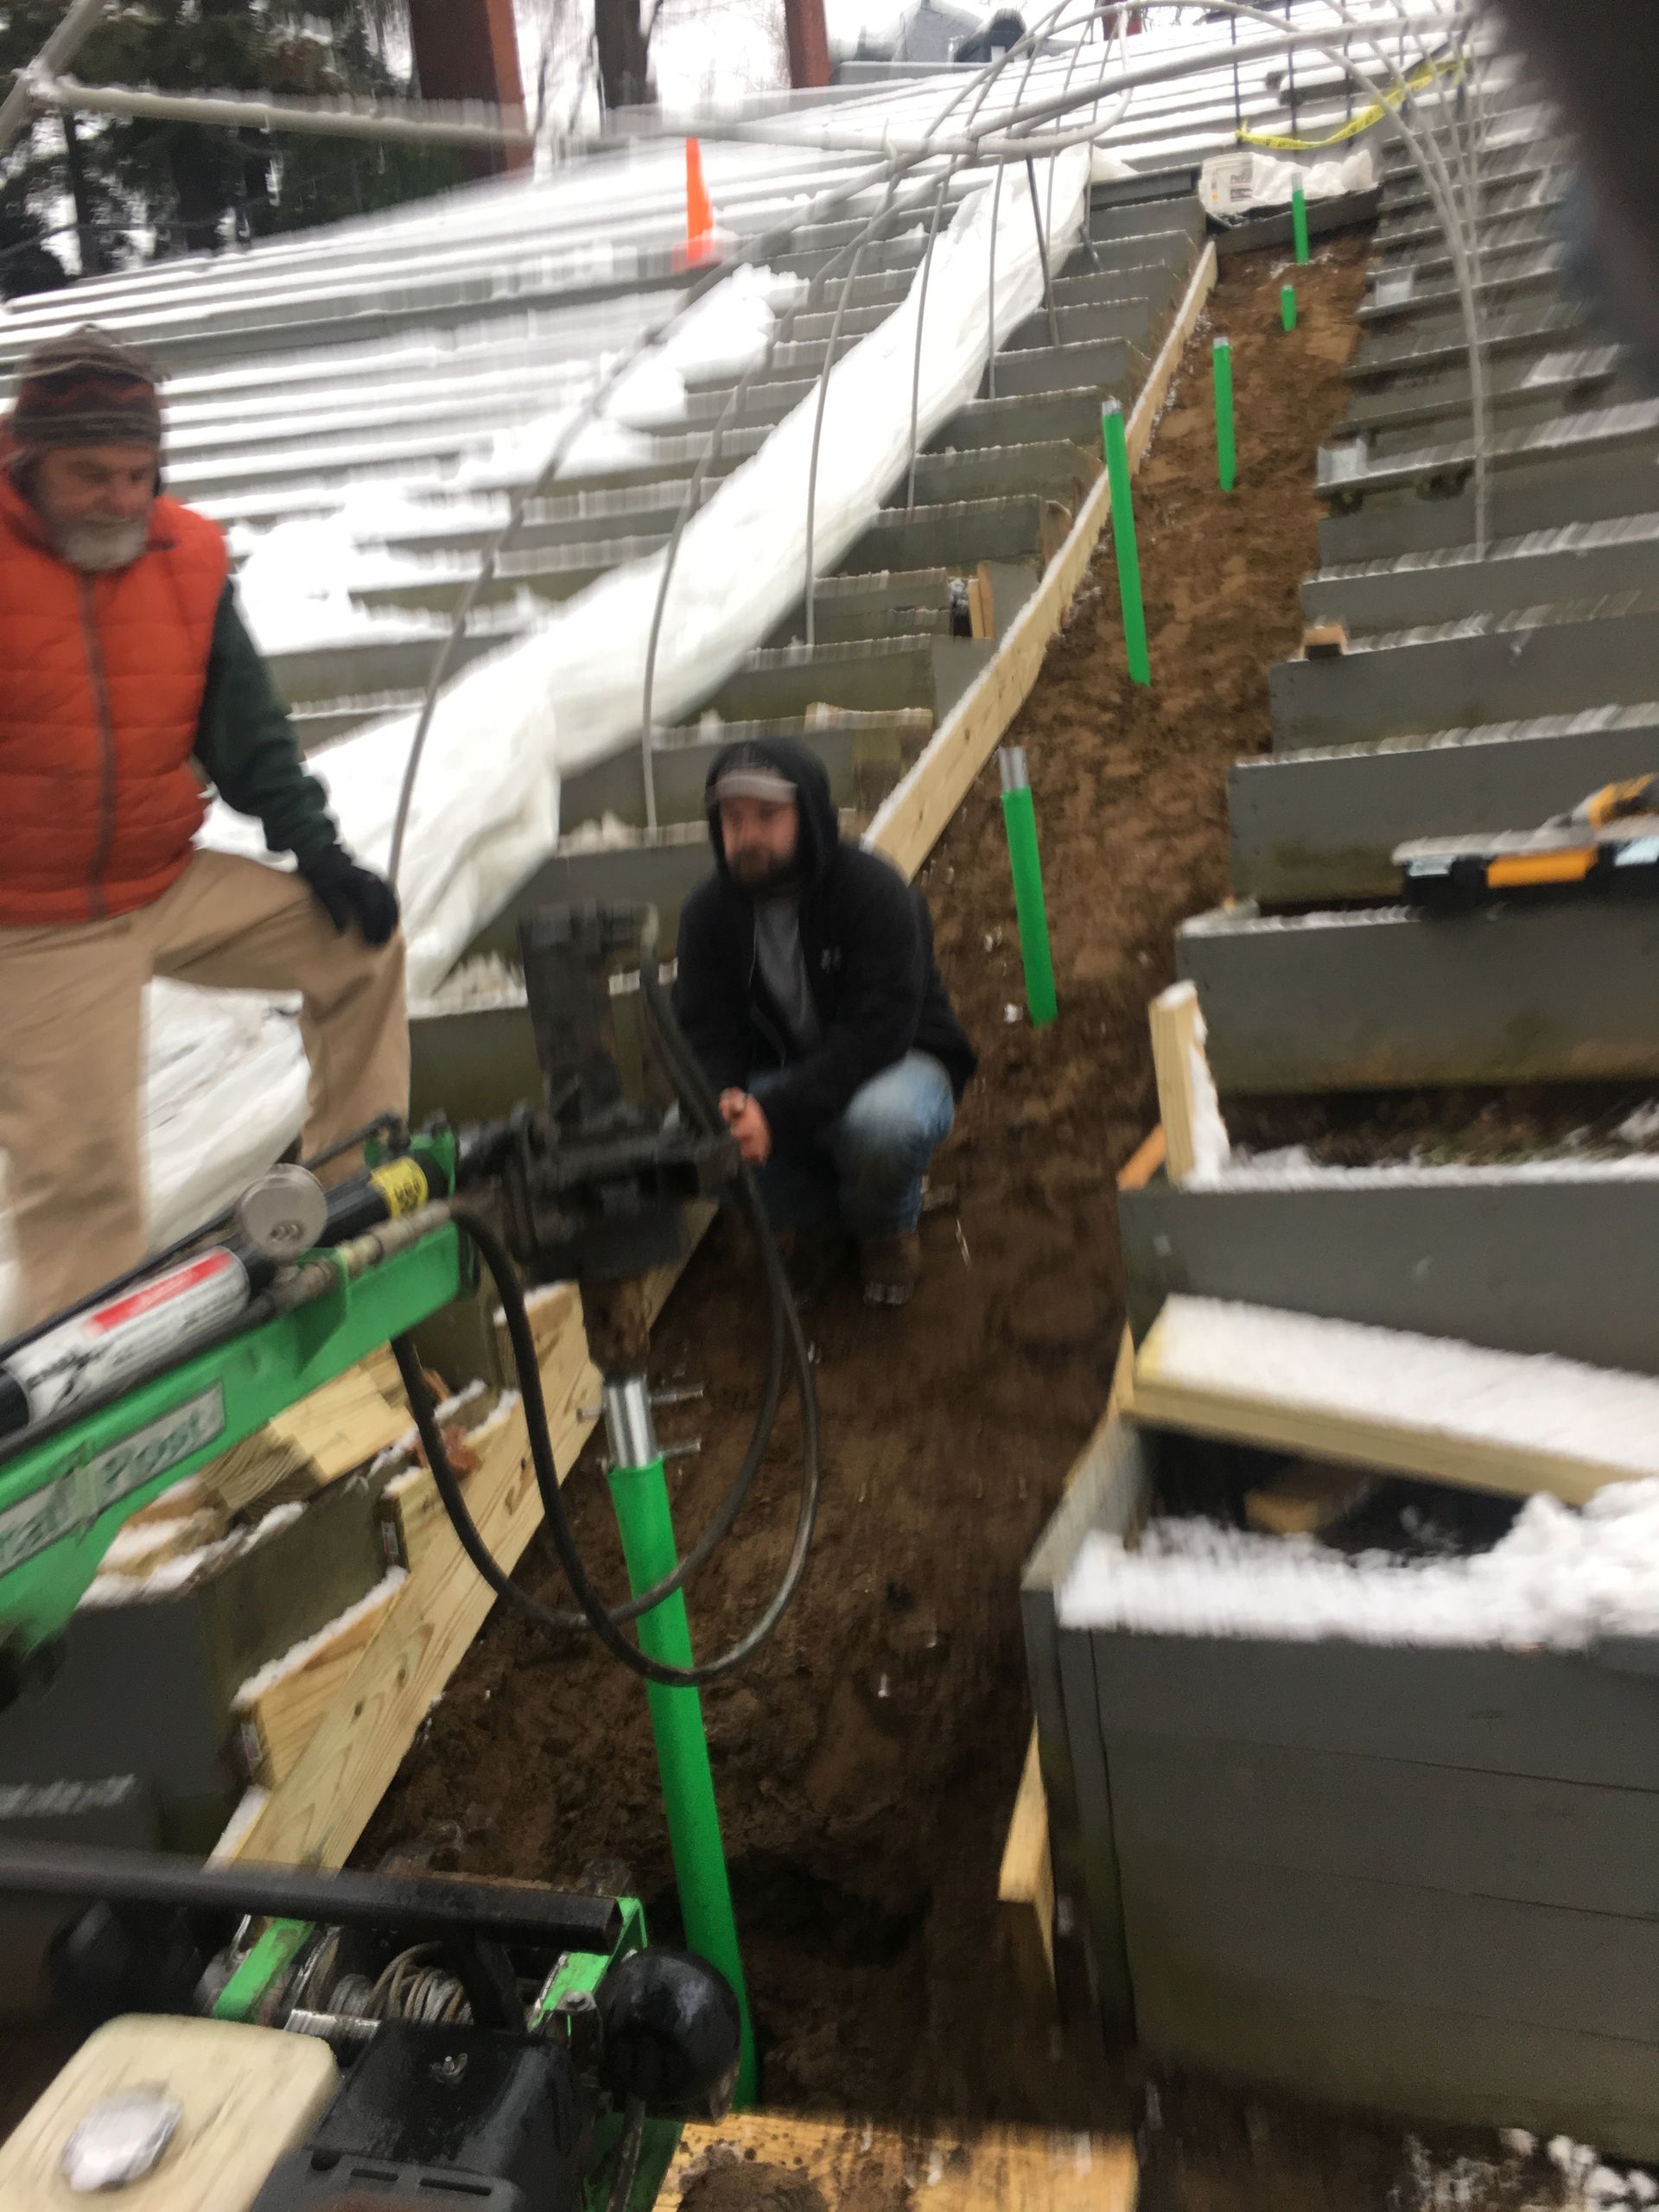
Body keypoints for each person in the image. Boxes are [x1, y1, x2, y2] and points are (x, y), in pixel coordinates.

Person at [0, 325, 407, 1332]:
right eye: (91, 473)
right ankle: (88, 1445)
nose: (119, 499)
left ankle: (346, 1204)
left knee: (362, 952)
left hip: (164, 882)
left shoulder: (185, 561)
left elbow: (250, 733)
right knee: (91, 1201)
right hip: (35, 921)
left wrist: (321, 855)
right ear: (29, 465)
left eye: (138, 473)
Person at [673, 736, 976, 1307]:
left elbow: (878, 1032)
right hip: (792, 1077)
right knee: (689, 1140)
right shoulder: (708, 915)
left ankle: (886, 1227)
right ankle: (830, 1226)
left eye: (767, 816)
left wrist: (778, 1114)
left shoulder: (872, 892)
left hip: (898, 1064)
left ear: (807, 814)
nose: (748, 834)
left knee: (881, 1125)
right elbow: (705, 1028)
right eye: (733, 819)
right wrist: (727, 1100)